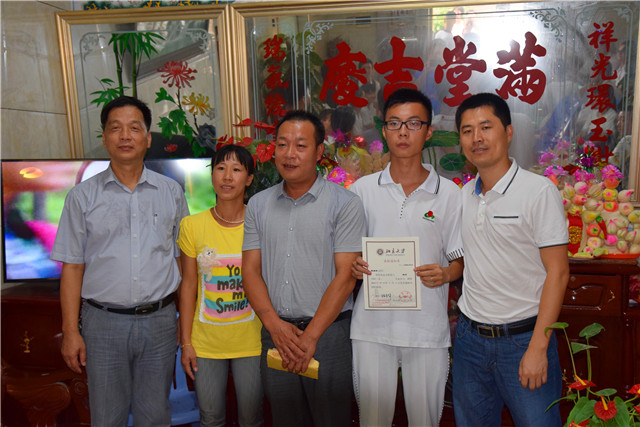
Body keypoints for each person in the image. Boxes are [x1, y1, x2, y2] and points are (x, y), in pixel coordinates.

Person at [52, 96, 189, 426]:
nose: (125, 136)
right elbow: (72, 267)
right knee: (106, 416)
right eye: (116, 128)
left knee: (155, 414)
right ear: (104, 138)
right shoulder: (81, 197)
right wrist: (70, 331)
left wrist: (184, 324)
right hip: (103, 323)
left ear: (148, 138)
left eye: (134, 128)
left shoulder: (171, 192)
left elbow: (183, 263)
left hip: (159, 320)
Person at [242, 110, 366, 427]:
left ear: (319, 151)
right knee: (284, 419)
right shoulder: (258, 204)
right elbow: (250, 271)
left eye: (300, 145)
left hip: (328, 335)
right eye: (282, 144)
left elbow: (345, 277)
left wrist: (310, 337)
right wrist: (274, 325)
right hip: (277, 335)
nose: (290, 154)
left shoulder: (345, 204)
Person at [452, 93, 569, 427]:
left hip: (524, 340)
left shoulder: (538, 191)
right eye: (467, 130)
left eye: (486, 127)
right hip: (470, 341)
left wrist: (538, 348)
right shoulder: (465, 195)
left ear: (508, 132)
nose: (477, 138)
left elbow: (558, 273)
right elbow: (468, 258)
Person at [350, 88, 464, 427]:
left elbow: (460, 259)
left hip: (426, 330)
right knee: (372, 421)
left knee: (425, 421)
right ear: (384, 130)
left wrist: (446, 274)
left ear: (428, 132)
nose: (403, 132)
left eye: (413, 123)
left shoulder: (449, 194)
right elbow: (347, 254)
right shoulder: (361, 190)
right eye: (394, 123)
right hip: (371, 329)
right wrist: (353, 265)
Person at [178, 144, 263, 427]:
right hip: (205, 343)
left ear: (249, 179)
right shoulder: (192, 226)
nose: (227, 176)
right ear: (212, 175)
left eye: (236, 169)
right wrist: (186, 343)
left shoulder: (260, 224)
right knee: (211, 418)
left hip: (251, 340)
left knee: (251, 419)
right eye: (220, 168)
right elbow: (188, 286)